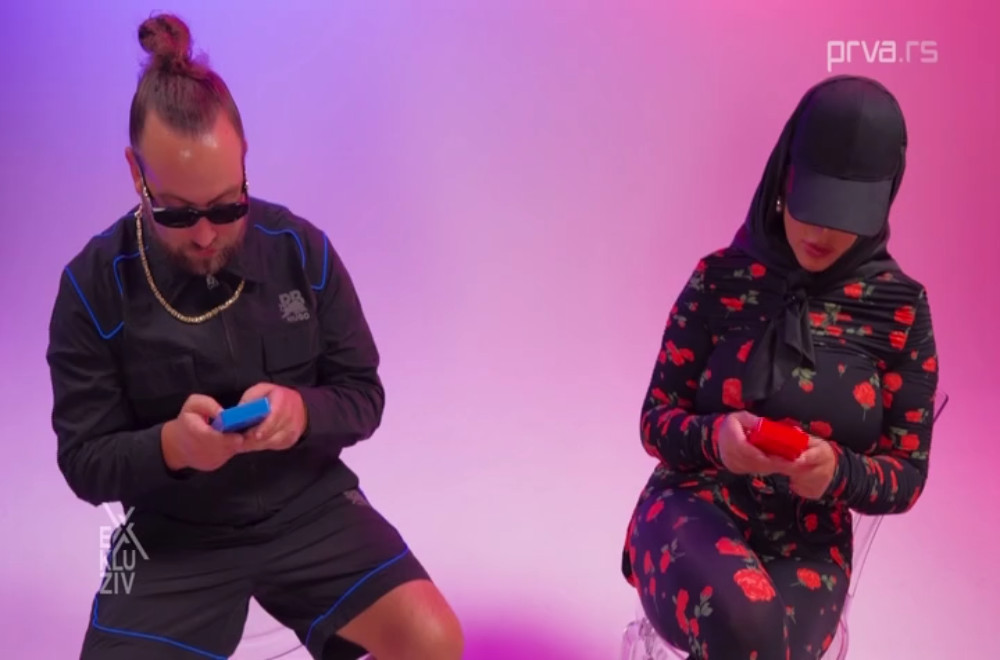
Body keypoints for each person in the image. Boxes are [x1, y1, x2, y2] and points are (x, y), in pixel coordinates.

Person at [45, 14, 463, 660]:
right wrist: (173, 447)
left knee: (435, 641)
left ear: (245, 162)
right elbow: (84, 462)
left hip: (312, 505)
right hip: (167, 532)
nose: (206, 234)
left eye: (226, 205)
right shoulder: (90, 287)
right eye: (178, 212)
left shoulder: (301, 249)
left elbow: (364, 395)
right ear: (136, 174)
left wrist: (302, 413)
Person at [621, 75, 939, 659]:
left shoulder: (900, 311)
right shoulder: (720, 279)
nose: (821, 232)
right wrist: (718, 439)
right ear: (782, 177)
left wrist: (838, 473)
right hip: (692, 504)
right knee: (751, 631)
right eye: (809, 204)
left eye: (845, 213)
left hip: (809, 543)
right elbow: (654, 421)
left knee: (768, 645)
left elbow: (907, 473)